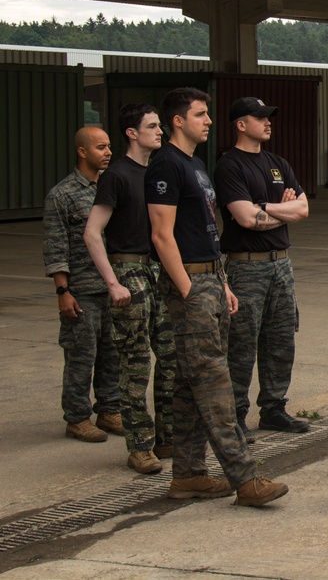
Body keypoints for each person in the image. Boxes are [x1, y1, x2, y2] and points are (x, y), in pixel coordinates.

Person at [146, 87, 287, 507]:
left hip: (209, 279)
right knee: (214, 384)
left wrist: (220, 281)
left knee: (190, 386)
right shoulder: (166, 165)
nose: (209, 121)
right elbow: (161, 234)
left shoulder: (194, 165)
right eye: (201, 114)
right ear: (178, 120)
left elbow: (204, 232)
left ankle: (189, 475)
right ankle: (246, 479)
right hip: (189, 285)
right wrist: (189, 290)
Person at [83, 104, 177, 474]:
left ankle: (167, 437)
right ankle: (139, 446)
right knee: (136, 363)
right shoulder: (116, 175)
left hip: (159, 270)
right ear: (131, 133)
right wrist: (112, 282)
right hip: (130, 270)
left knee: (170, 359)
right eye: (152, 126)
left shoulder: (159, 172)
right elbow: (92, 232)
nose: (160, 132)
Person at [215, 97, 311, 443]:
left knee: (281, 338)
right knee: (241, 344)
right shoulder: (230, 166)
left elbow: (302, 210)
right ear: (241, 125)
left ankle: (273, 409)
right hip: (246, 268)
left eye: (269, 117)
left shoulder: (277, 163)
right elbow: (243, 219)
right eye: (260, 118)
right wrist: (280, 211)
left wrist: (264, 208)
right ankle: (236, 415)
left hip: (280, 265)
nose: (268, 122)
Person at [43, 127, 123, 443]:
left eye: (109, 146)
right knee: (81, 356)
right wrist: (63, 291)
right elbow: (54, 245)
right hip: (81, 290)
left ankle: (109, 410)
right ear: (82, 151)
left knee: (112, 354)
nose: (107, 152)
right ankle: (77, 417)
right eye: (100, 147)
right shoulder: (62, 195)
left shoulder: (110, 188)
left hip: (112, 287)